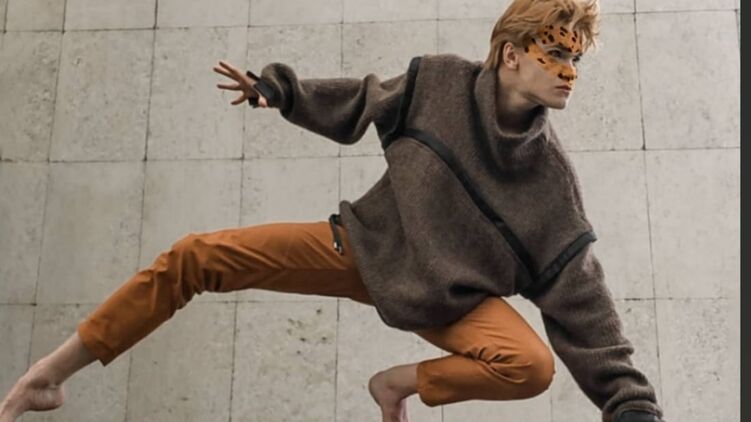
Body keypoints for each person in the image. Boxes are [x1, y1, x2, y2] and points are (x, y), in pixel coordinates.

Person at [0, 1, 666, 421]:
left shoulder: (549, 186)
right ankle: (46, 377)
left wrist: (632, 408)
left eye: (576, 59)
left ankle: (394, 384)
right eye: (557, 54)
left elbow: (586, 307)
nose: (569, 72)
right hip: (363, 248)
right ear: (512, 54)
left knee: (531, 366)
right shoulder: (438, 83)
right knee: (195, 256)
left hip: (448, 301)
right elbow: (361, 100)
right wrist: (280, 92)